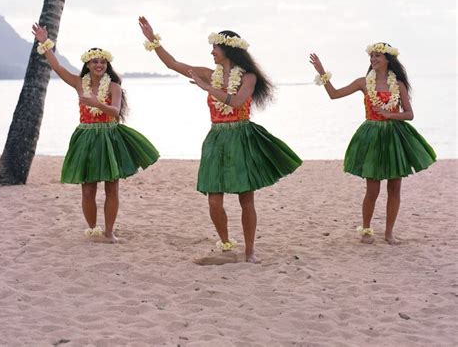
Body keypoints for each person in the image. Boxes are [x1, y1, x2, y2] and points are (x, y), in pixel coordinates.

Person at [139, 17, 302, 263]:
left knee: (246, 198)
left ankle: (250, 251)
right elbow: (173, 64)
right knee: (214, 200)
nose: (211, 52)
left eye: (215, 47)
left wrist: (208, 88)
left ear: (227, 50)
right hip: (216, 138)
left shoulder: (248, 78)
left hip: (241, 137)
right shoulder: (208, 74)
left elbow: (236, 102)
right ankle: (226, 243)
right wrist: (153, 39)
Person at [32, 23, 159, 242]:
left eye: (102, 61)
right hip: (86, 137)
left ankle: (109, 232)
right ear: (87, 65)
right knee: (88, 189)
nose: (99, 64)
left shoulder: (114, 87)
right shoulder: (78, 83)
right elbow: (58, 68)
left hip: (110, 137)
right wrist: (44, 42)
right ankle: (92, 229)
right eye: (94, 61)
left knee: (111, 188)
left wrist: (96, 103)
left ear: (107, 64)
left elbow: (116, 112)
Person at [309, 42, 436, 245]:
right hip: (372, 137)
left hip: (394, 137)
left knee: (395, 188)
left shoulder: (399, 85)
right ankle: (367, 229)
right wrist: (322, 72)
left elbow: (409, 114)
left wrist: (390, 114)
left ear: (388, 60)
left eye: (378, 56)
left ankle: (389, 233)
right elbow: (334, 95)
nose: (373, 59)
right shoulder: (363, 83)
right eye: (372, 56)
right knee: (372, 189)